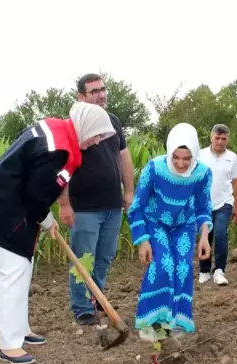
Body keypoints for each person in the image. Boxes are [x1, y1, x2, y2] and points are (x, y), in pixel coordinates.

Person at [0, 102, 116, 364]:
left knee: (22, 268)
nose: (97, 142)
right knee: (11, 273)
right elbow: (35, 194)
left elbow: (39, 189)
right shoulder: (56, 149)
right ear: (86, 127)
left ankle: (21, 331)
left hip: (7, 208)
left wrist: (44, 217)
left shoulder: (60, 133)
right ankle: (9, 346)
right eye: (97, 135)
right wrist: (47, 220)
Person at [58, 73, 135, 326]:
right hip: (85, 208)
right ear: (81, 97)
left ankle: (97, 298)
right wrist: (65, 204)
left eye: (103, 89)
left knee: (104, 257)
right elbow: (62, 166)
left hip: (112, 204)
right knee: (84, 258)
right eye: (94, 91)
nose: (101, 94)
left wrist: (128, 191)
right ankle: (82, 308)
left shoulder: (113, 122)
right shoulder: (73, 126)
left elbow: (123, 157)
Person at [127, 123, 213, 342]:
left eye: (187, 158)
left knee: (183, 268)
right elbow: (137, 205)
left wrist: (204, 236)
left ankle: (176, 321)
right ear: (169, 151)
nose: (181, 164)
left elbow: (203, 208)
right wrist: (143, 240)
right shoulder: (155, 169)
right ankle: (152, 324)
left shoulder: (202, 173)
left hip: (184, 225)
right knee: (163, 265)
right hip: (155, 223)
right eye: (175, 157)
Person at [197, 124, 237, 286]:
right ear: (211, 137)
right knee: (205, 235)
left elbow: (235, 182)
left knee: (221, 234)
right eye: (217, 138)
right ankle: (204, 270)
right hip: (204, 204)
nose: (220, 142)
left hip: (225, 202)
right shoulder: (200, 155)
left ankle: (219, 270)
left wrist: (236, 205)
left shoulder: (232, 157)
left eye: (224, 139)